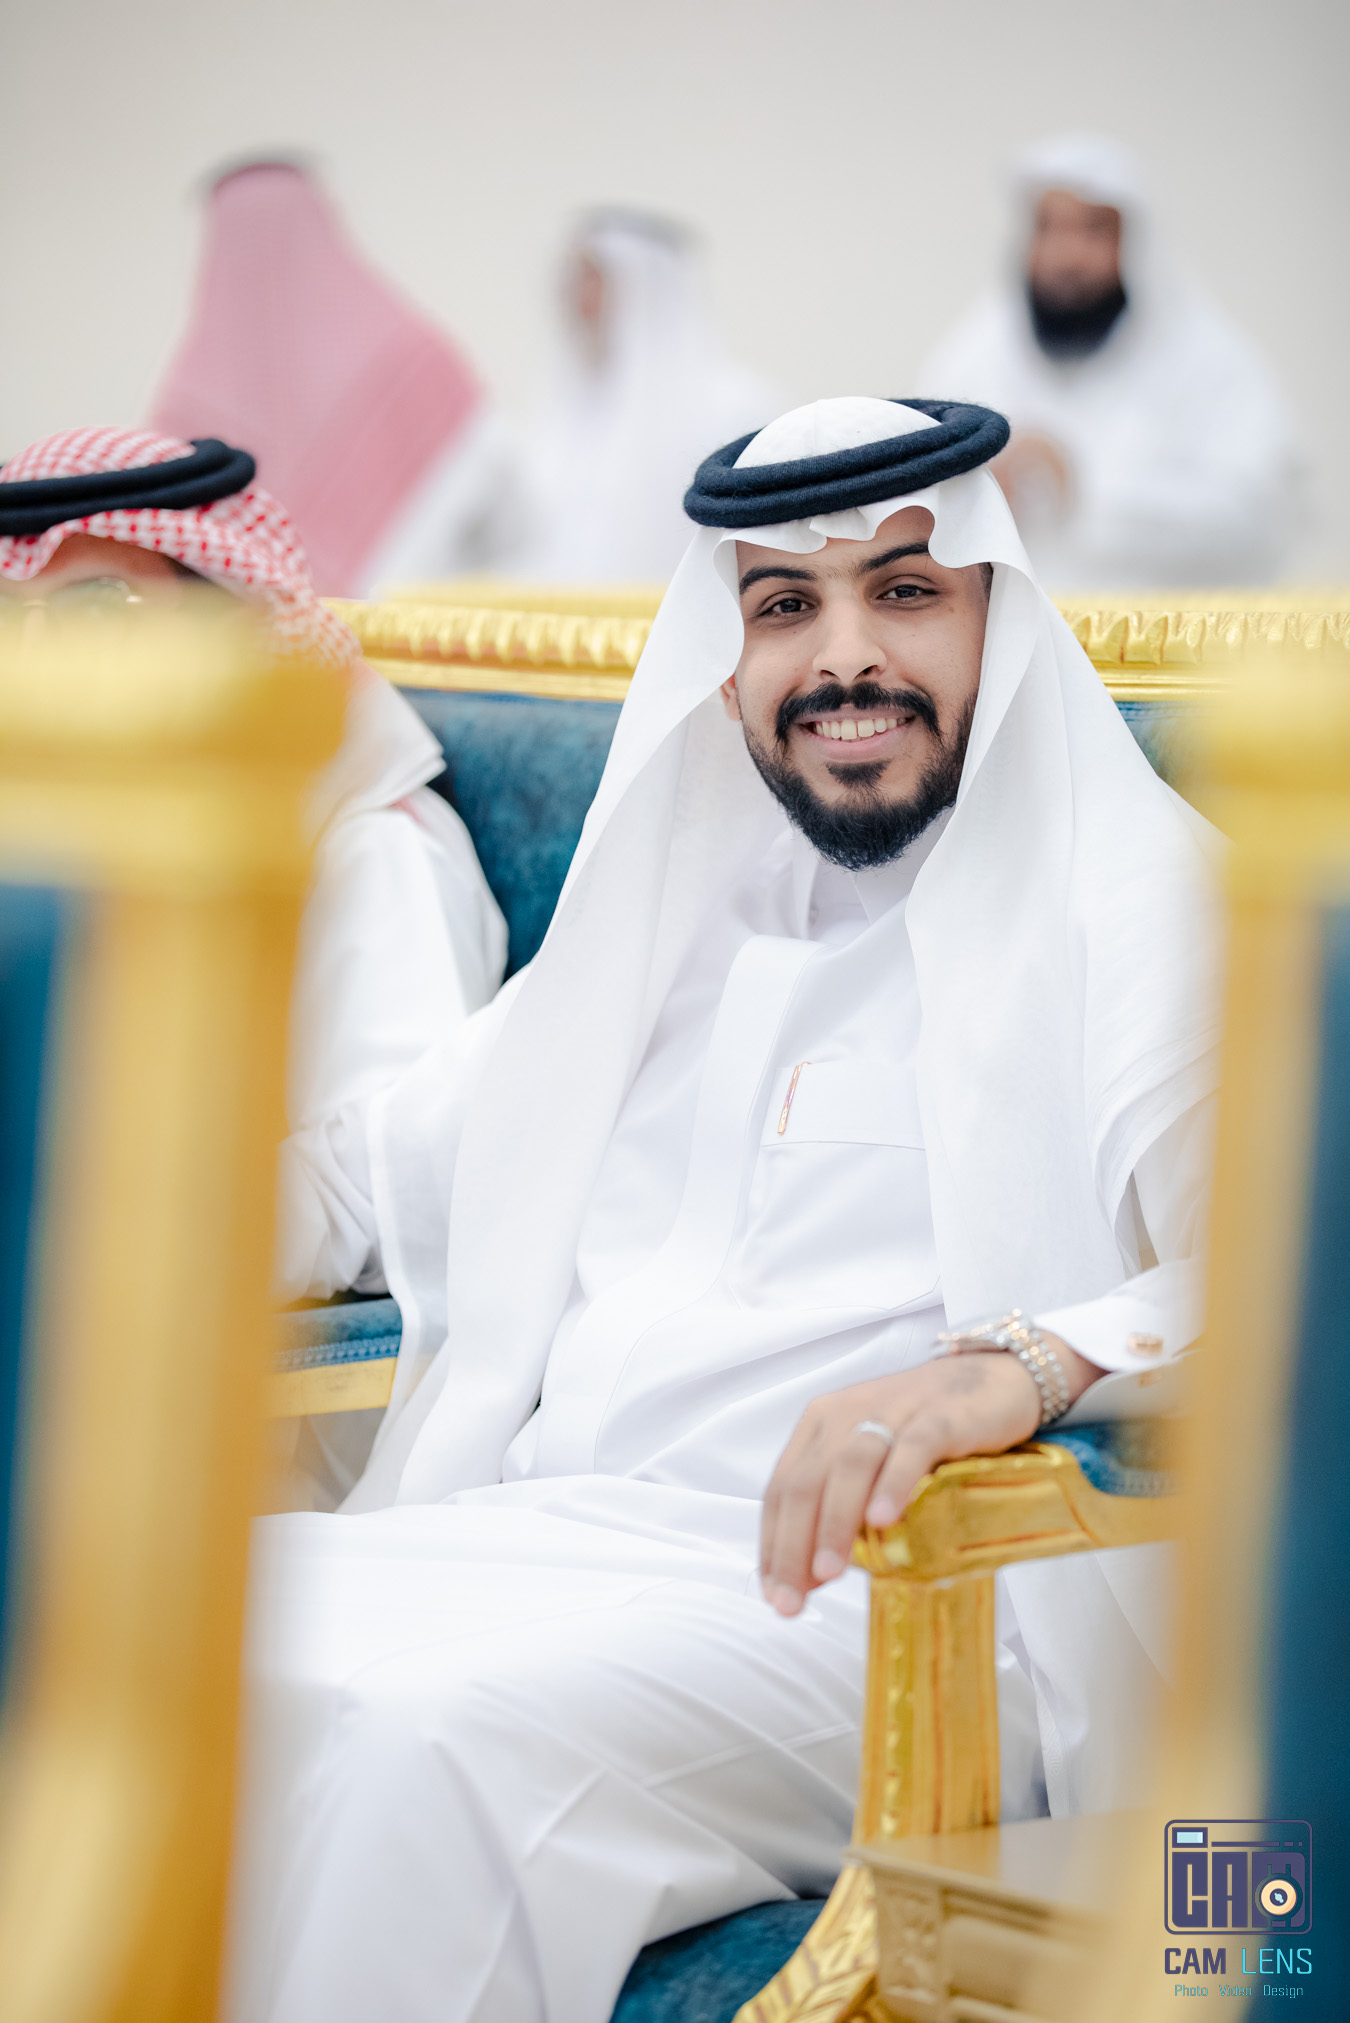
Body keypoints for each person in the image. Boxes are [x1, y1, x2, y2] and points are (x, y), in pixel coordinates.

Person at [236, 397, 1220, 2023]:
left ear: (996, 616)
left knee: (419, 1739)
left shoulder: (1141, 911)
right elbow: (355, 1182)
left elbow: (1300, 1271)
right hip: (549, 1535)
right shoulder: (667, 913)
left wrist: (1025, 1363)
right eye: (783, 605)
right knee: (134, 1641)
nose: (844, 656)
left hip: (906, 1603)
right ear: (731, 654)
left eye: (904, 591)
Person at [0, 423, 507, 1244]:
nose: (37, 659)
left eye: (94, 609)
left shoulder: (369, 846)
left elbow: (388, 1191)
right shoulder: (72, 830)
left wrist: (102, 1243)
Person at [921, 133, 1302, 589]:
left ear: (1135, 245)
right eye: (1049, 228)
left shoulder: (1209, 362)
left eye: (1093, 230)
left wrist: (1082, 488)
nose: (1067, 257)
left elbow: (1258, 521)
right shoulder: (974, 354)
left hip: (1173, 632)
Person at [150, 159, 522, 596]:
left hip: (284, 635)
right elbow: (511, 514)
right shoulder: (414, 356)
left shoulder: (183, 399)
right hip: (417, 627)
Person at [506, 208, 781, 583]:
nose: (574, 293)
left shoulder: (735, 406)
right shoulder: (567, 411)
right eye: (572, 275)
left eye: (594, 275)